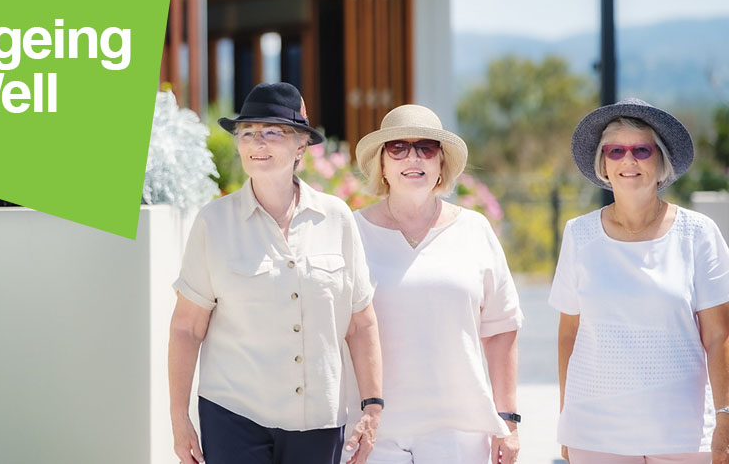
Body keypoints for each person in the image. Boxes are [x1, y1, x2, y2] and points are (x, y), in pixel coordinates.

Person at [168, 82, 383, 464]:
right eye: (247, 133)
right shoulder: (213, 222)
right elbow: (187, 327)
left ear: (301, 146)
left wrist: (372, 406)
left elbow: (361, 322)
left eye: (273, 132)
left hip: (319, 420)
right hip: (234, 415)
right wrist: (178, 418)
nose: (257, 143)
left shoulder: (336, 219)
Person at [550, 98, 729, 464]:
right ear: (603, 163)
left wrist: (726, 419)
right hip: (595, 434)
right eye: (615, 151)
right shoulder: (579, 235)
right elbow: (569, 333)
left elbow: (718, 336)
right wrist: (567, 419)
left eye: (641, 150)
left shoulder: (698, 234)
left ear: (661, 161)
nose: (628, 161)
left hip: (682, 432)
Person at [346, 104, 523, 464]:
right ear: (381, 163)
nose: (413, 157)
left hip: (458, 429)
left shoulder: (475, 230)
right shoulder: (349, 231)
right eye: (398, 148)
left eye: (426, 147)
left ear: (441, 162)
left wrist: (509, 419)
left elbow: (502, 328)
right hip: (371, 428)